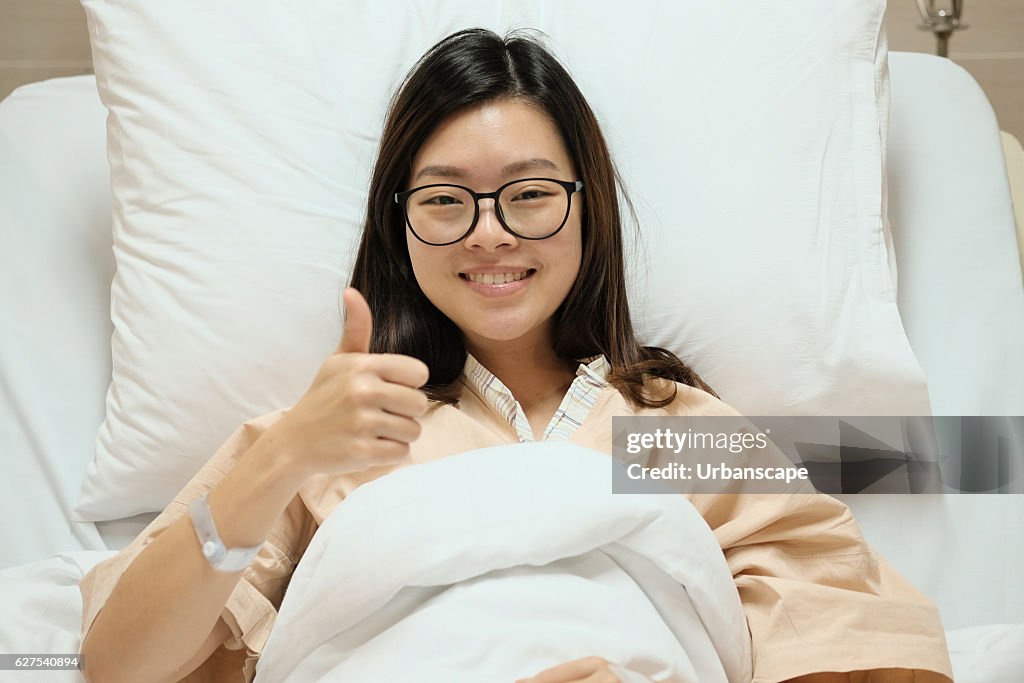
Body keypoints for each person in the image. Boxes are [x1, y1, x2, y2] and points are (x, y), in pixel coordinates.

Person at [78, 28, 954, 683]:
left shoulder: (675, 429)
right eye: (447, 199)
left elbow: (846, 637)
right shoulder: (327, 435)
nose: (490, 234)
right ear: (400, 224)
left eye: (530, 194)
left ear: (587, 209)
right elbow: (122, 663)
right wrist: (281, 458)